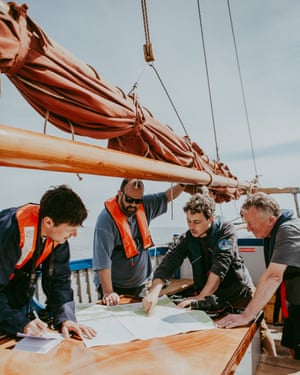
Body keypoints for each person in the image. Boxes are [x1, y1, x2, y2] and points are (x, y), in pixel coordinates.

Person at [143, 192, 276, 355]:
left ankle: (273, 359)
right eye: (189, 221)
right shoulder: (187, 238)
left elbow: (220, 266)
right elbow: (168, 263)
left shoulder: (226, 231)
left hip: (240, 294)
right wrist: (153, 293)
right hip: (211, 299)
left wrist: (200, 299)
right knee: (217, 338)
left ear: (211, 218)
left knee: (260, 331)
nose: (192, 226)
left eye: (197, 222)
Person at [0, 185, 96, 340]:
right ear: (48, 222)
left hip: (18, 302)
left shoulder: (58, 238)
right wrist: (20, 323)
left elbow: (59, 282)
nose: (74, 235)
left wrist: (66, 319)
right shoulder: (9, 230)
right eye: (70, 229)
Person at [217, 192, 300, 360]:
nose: (248, 228)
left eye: (251, 223)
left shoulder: (288, 230)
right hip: (295, 301)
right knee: (293, 347)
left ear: (271, 219)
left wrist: (247, 315)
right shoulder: (272, 231)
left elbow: (273, 277)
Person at [93, 179, 185, 306]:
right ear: (120, 194)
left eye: (138, 201)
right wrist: (108, 292)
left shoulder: (145, 206)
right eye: (129, 200)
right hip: (114, 287)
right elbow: (103, 260)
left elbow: (167, 196)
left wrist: (183, 184)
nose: (133, 205)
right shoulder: (105, 221)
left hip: (140, 285)